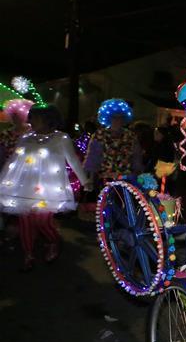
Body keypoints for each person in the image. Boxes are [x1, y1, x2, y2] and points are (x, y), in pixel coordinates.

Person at [0, 105, 89, 270]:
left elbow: (73, 160)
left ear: (48, 120)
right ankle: (28, 254)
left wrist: (85, 181)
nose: (30, 121)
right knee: (25, 220)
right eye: (31, 117)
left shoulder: (61, 138)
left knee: (42, 222)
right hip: (24, 186)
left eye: (34, 117)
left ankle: (53, 242)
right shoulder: (26, 137)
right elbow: (13, 160)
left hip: (49, 188)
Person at [84, 100, 143, 184]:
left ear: (124, 118)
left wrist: (138, 175)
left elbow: (136, 158)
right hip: (104, 180)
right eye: (114, 117)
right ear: (109, 118)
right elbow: (93, 158)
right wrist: (90, 179)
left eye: (120, 117)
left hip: (126, 180)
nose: (117, 120)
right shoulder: (100, 135)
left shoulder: (131, 136)